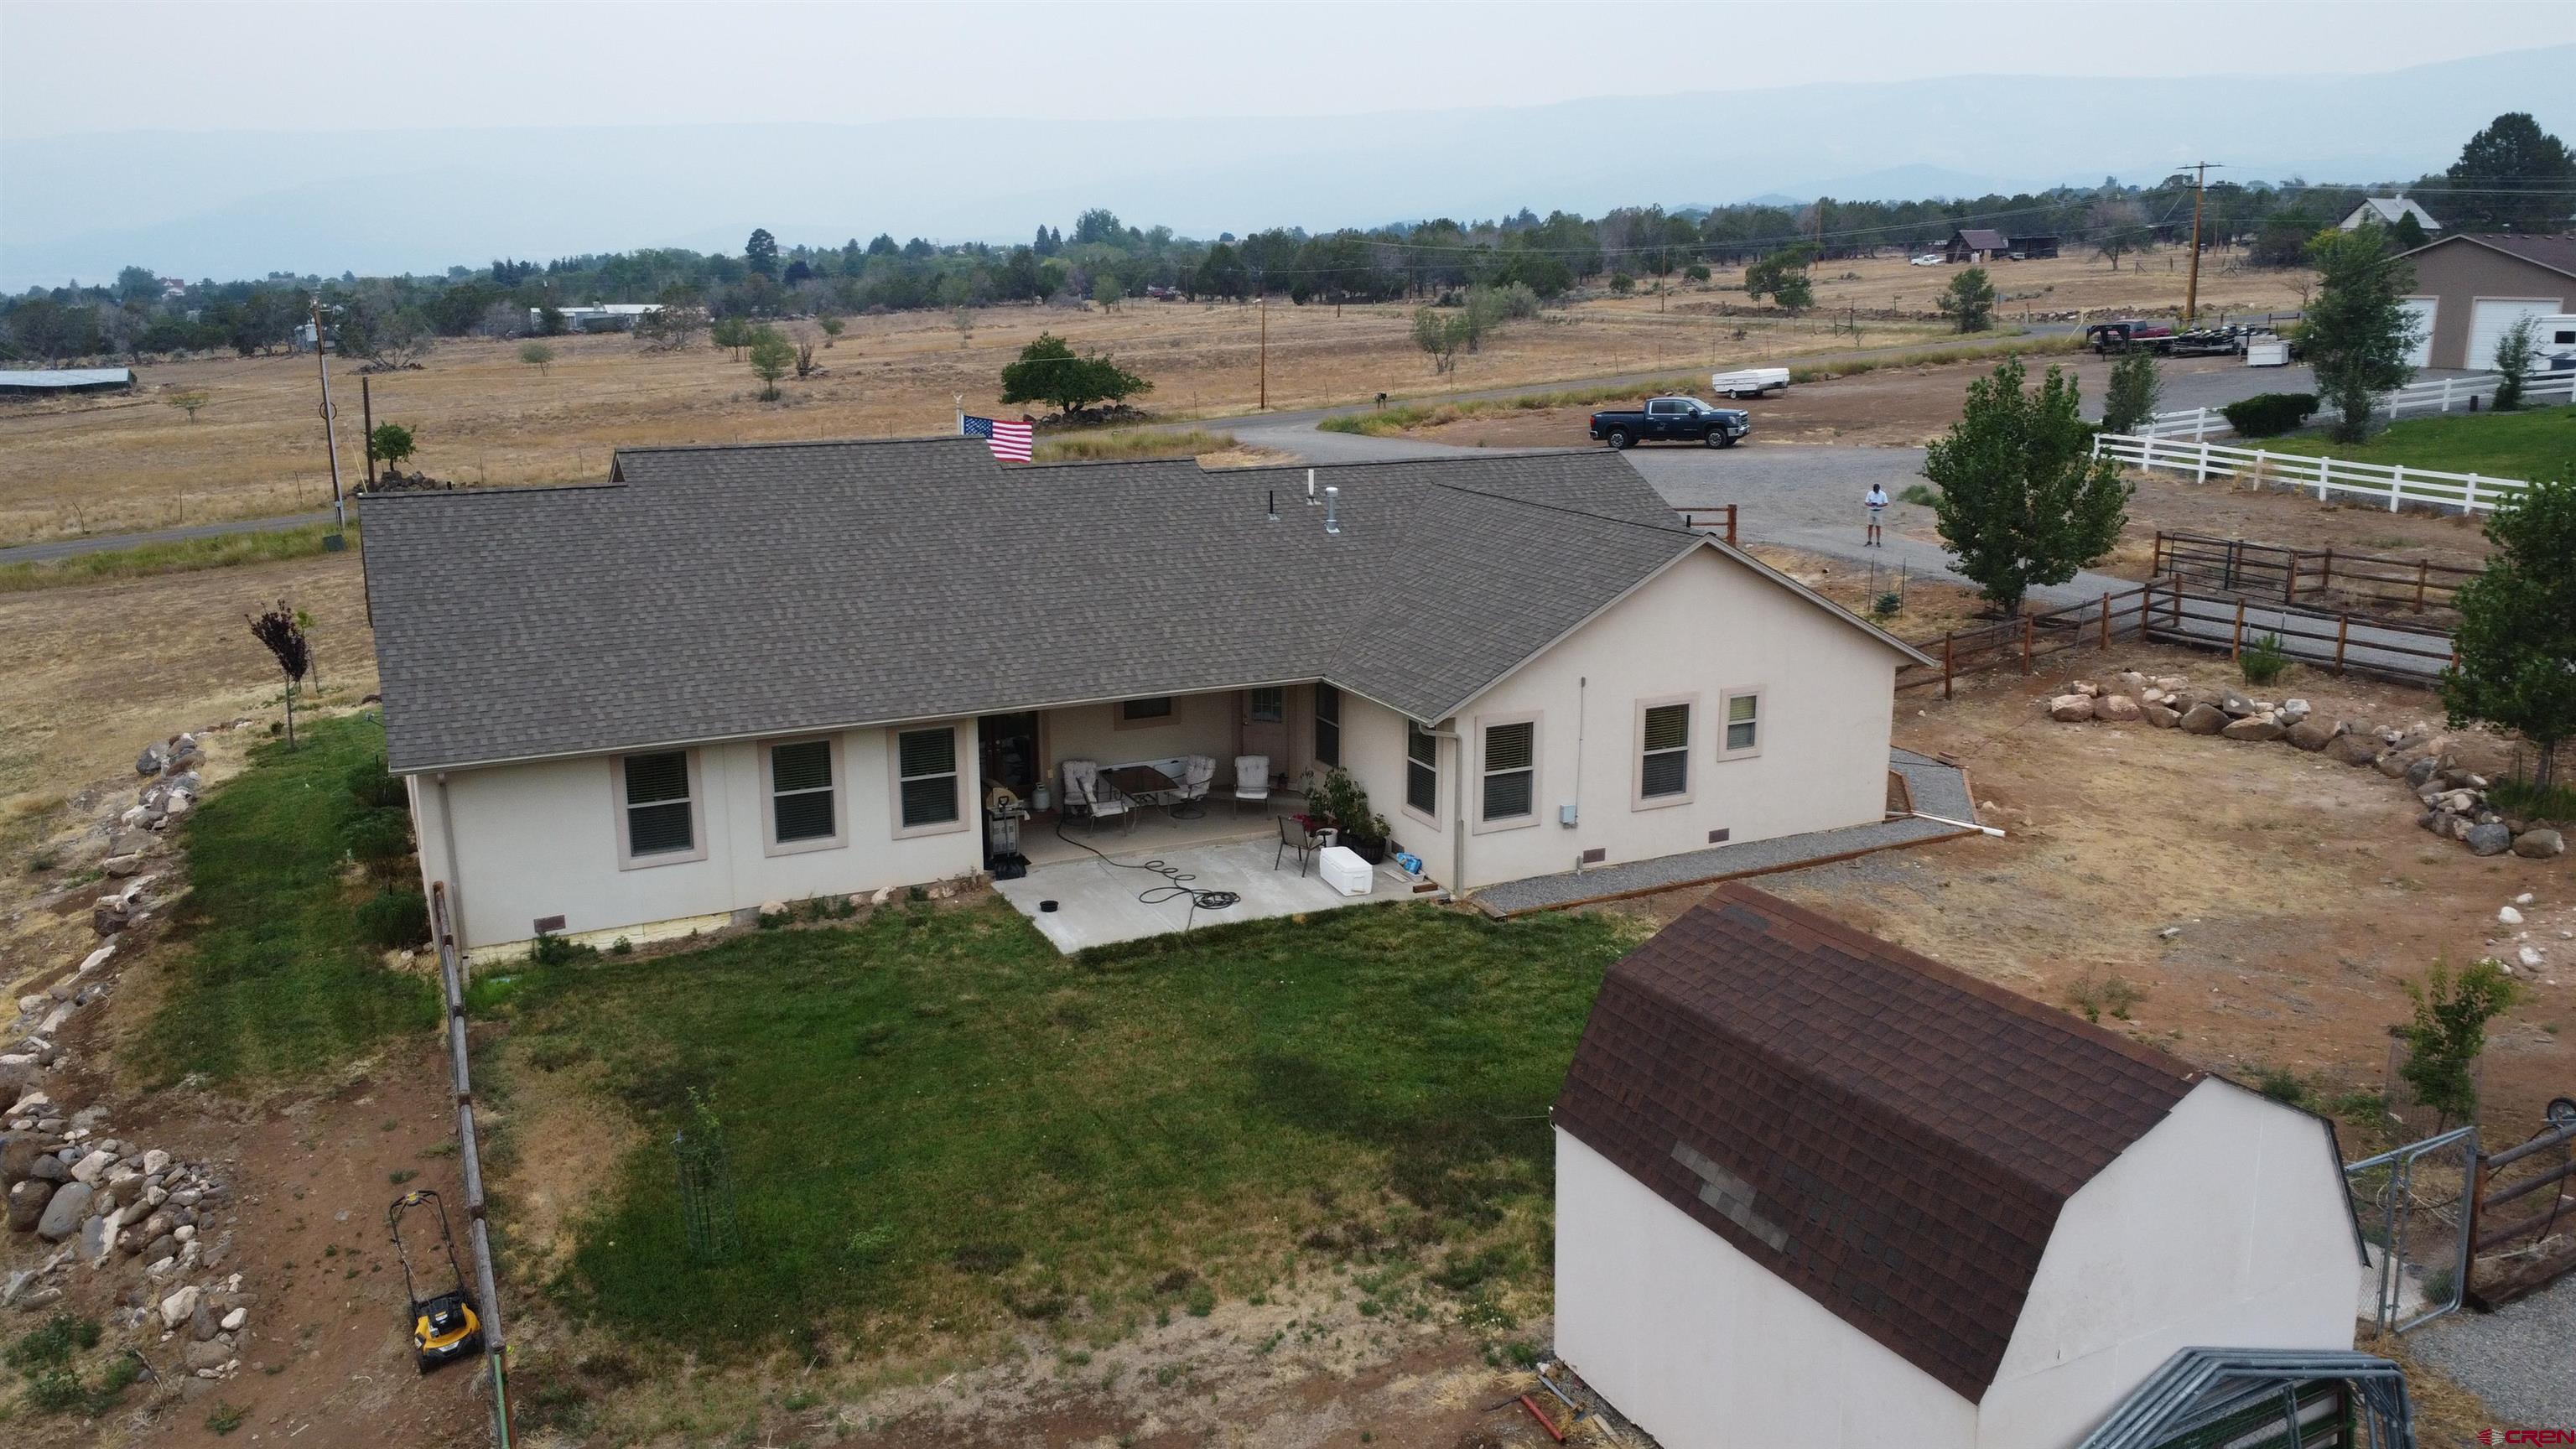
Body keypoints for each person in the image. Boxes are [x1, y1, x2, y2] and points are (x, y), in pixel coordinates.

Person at [1863, 483, 1889, 548]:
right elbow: (1866, 502)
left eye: (1877, 490)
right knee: (1870, 526)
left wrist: (1879, 505)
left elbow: (1886, 503)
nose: (1876, 491)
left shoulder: (1883, 494)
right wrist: (1870, 504)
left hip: (1879, 511)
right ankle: (1869, 540)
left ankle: (1878, 541)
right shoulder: (1870, 493)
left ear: (1879, 489)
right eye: (1875, 490)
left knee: (1878, 527)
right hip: (1871, 511)